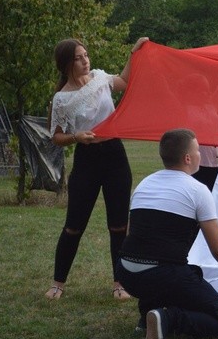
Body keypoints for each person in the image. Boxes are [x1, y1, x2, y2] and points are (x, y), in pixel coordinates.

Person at [116, 129, 218, 339]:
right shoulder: (197, 190)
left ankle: (147, 315)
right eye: (198, 150)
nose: (201, 154)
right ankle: (166, 319)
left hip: (126, 273)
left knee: (184, 274)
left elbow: (132, 236)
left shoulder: (144, 184)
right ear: (188, 158)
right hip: (162, 274)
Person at [45, 36, 149, 300]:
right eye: (78, 58)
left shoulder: (101, 79)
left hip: (115, 155)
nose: (84, 60)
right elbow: (56, 136)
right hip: (86, 160)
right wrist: (75, 137)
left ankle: (120, 284)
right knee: (73, 225)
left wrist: (133, 53)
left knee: (118, 225)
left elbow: (124, 81)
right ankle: (58, 283)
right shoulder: (61, 99)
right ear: (66, 63)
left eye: (86, 55)